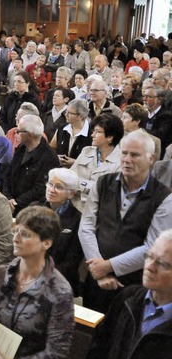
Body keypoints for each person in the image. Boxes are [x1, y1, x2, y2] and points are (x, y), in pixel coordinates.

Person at [0, 206, 74, 359]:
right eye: (16, 231)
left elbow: (57, 351)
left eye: (25, 234)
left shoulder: (59, 291)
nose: (15, 239)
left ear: (46, 243)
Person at [78, 131, 172, 313]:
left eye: (135, 155)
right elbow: (86, 227)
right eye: (124, 153)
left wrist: (108, 266)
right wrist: (97, 267)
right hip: (95, 277)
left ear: (151, 159)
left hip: (132, 285)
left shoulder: (164, 197)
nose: (127, 159)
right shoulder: (103, 183)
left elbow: (152, 247)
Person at [86, 230, 172, 359]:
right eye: (149, 256)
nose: (150, 267)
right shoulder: (128, 298)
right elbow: (98, 351)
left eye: (163, 264)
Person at [3, 114, 60, 216]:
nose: (16, 133)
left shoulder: (49, 157)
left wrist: (15, 202)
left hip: (30, 208)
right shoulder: (21, 148)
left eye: (19, 131)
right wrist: (8, 197)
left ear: (29, 135)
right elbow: (8, 173)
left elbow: (40, 189)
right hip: (10, 202)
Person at [39, 168, 84, 295]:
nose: (51, 190)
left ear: (71, 194)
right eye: (50, 184)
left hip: (59, 282)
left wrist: (44, 278)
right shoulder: (34, 209)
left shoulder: (78, 220)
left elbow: (71, 261)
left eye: (59, 187)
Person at [70, 114, 124, 211]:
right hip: (75, 207)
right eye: (93, 131)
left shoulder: (121, 161)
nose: (92, 135)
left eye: (98, 132)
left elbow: (109, 193)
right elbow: (70, 178)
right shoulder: (86, 151)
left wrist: (81, 184)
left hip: (101, 212)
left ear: (110, 137)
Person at [53, 98, 93, 167]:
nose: (66, 114)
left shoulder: (92, 133)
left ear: (80, 116)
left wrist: (76, 162)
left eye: (70, 113)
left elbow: (94, 160)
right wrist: (56, 157)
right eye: (66, 111)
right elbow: (52, 147)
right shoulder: (62, 128)